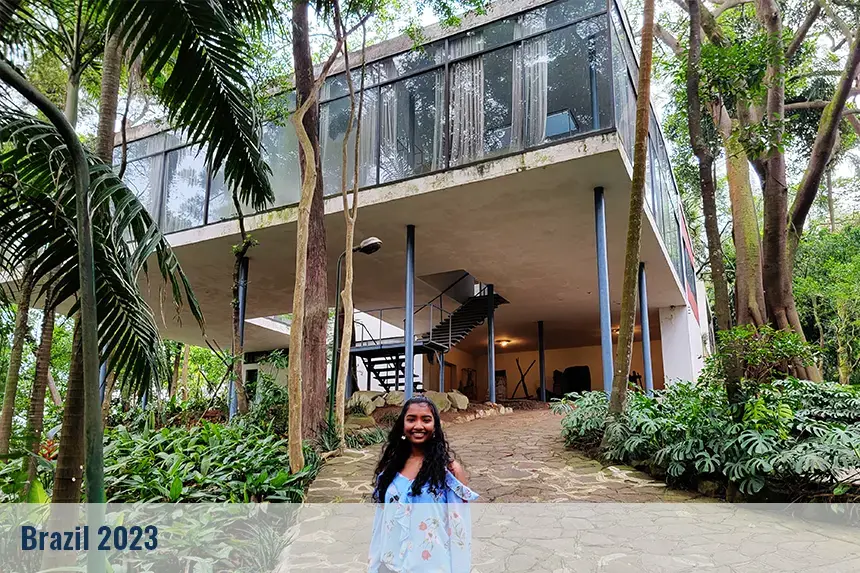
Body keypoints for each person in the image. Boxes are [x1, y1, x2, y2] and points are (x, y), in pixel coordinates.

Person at [368, 395, 478, 572]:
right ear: (403, 426)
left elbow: (460, 531)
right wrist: (374, 565)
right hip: (390, 566)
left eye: (426, 420)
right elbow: (380, 524)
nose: (418, 426)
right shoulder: (390, 468)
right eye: (411, 419)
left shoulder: (449, 472)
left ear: (434, 426)